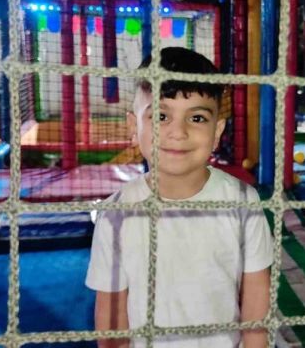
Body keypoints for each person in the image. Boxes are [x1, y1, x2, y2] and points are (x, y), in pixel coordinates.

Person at [86, 47, 273, 348]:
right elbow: (112, 319)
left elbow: (256, 307)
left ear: (217, 131)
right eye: (161, 116)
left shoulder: (243, 203)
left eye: (197, 118)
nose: (178, 132)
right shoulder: (117, 213)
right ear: (134, 126)